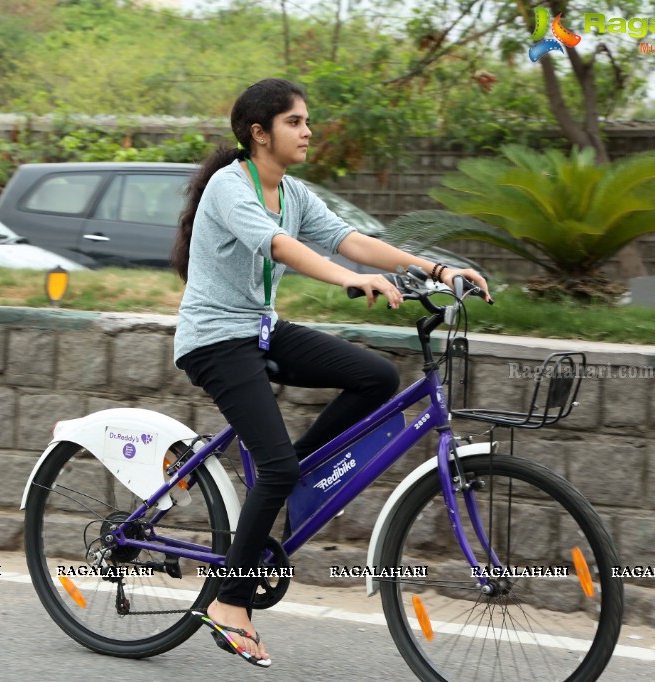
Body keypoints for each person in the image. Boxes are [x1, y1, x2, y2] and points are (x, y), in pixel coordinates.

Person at [171, 77, 490, 668]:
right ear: (258, 133)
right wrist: (346, 280)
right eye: (295, 122)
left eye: (307, 120)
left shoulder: (292, 193)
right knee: (274, 462)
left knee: (376, 378)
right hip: (216, 340)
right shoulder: (228, 187)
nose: (308, 131)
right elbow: (278, 247)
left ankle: (291, 475)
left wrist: (437, 269)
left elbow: (353, 240)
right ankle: (230, 604)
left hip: (260, 330)